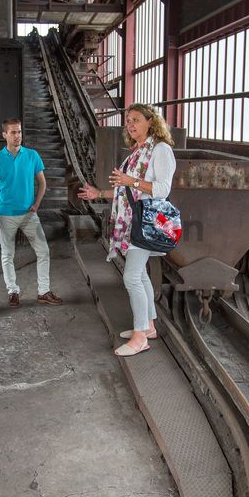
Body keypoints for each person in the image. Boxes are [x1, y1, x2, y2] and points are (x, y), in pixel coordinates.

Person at [78, 103, 176, 356]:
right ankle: (149, 326)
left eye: (136, 120)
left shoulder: (161, 150)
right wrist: (99, 193)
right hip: (132, 220)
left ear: (150, 122)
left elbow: (163, 189)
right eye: (128, 121)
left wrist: (130, 180)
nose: (130, 125)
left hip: (146, 221)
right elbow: (126, 190)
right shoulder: (137, 151)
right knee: (140, 275)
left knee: (131, 277)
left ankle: (140, 335)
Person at [0, 118, 62, 308]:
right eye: (13, 132)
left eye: (19, 132)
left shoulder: (32, 155)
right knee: (7, 254)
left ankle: (43, 291)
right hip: (5, 213)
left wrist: (36, 204)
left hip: (29, 214)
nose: (17, 136)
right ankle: (13, 291)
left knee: (43, 251)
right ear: (4, 135)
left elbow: (43, 182)